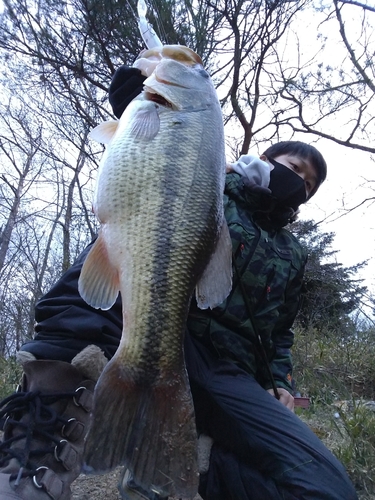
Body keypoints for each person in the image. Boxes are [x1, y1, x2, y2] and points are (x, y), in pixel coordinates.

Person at [0, 64, 358, 500]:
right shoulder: (214, 182)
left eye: (309, 184)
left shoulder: (295, 254)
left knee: (328, 488)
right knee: (136, 241)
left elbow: (280, 331)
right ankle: (41, 439)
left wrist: (280, 381)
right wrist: (140, 117)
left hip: (231, 374)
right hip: (172, 332)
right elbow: (158, 170)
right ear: (263, 162)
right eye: (294, 167)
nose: (299, 183)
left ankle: (202, 461)